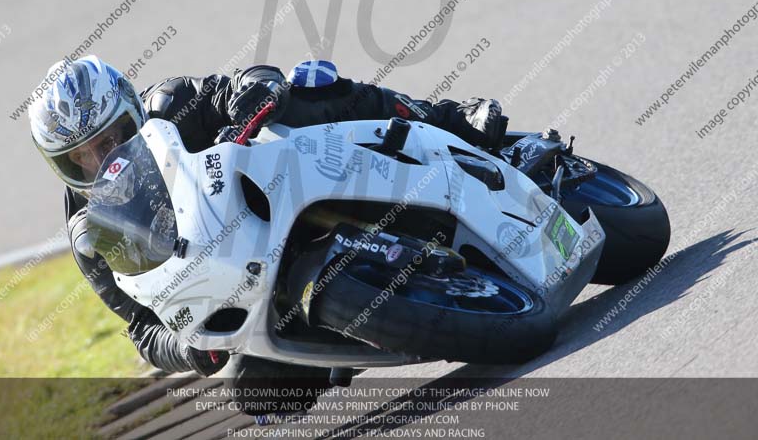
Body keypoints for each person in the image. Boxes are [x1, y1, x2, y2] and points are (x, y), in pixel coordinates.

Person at [27, 55, 505, 387]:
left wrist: (254, 95)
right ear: (62, 168)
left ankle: (450, 119)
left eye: (112, 137)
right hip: (248, 287)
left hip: (279, 191)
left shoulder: (170, 105)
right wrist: (188, 350)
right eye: (81, 159)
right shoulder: (92, 235)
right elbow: (141, 329)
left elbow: (243, 81)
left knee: (310, 84)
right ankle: (354, 326)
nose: (103, 159)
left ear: (131, 110)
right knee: (261, 396)